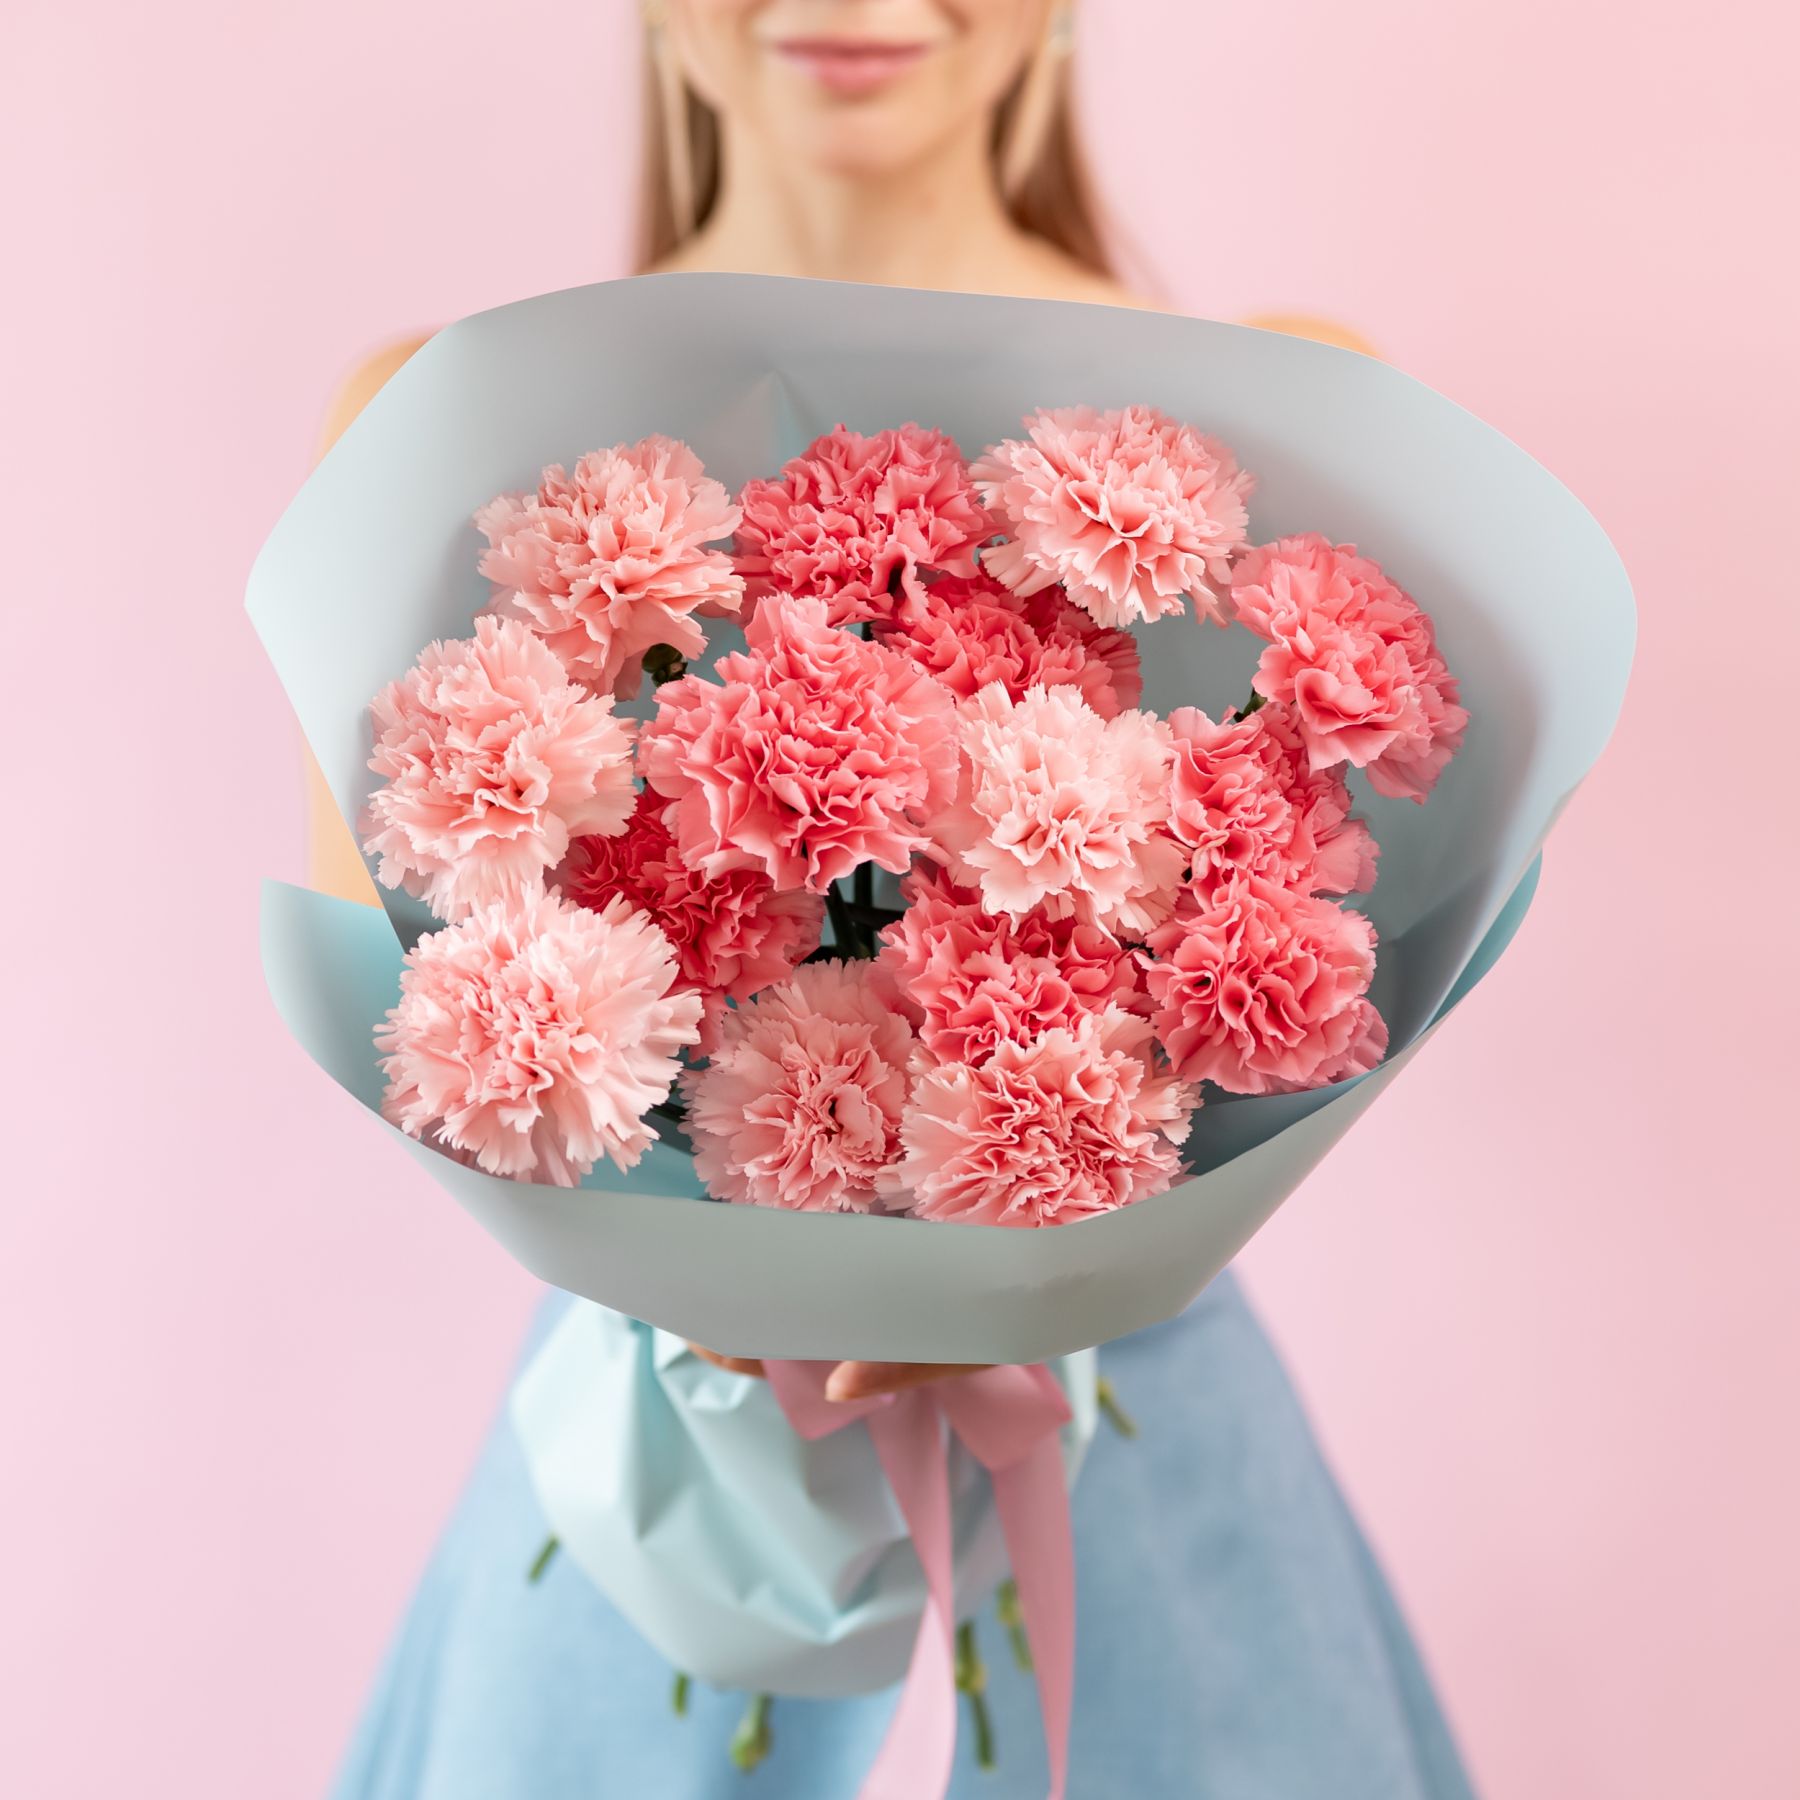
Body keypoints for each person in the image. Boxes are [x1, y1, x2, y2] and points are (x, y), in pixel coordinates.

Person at [316, 5, 1472, 1795]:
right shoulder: (426, 420)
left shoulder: (1300, 401)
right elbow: (396, 1004)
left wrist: (1037, 1243)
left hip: (1147, 1479)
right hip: (657, 1480)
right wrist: (705, 1287)